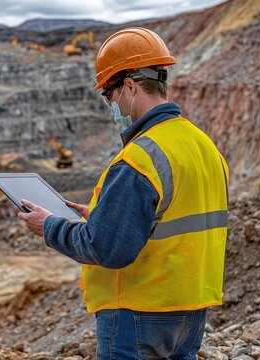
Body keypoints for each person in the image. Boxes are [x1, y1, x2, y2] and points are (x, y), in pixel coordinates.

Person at [18, 27, 229, 360]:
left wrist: (48, 226)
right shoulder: (203, 145)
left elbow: (105, 248)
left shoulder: (140, 157)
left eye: (109, 94)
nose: (111, 102)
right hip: (192, 308)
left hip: (139, 310)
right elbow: (172, 215)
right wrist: (100, 215)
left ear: (130, 85)